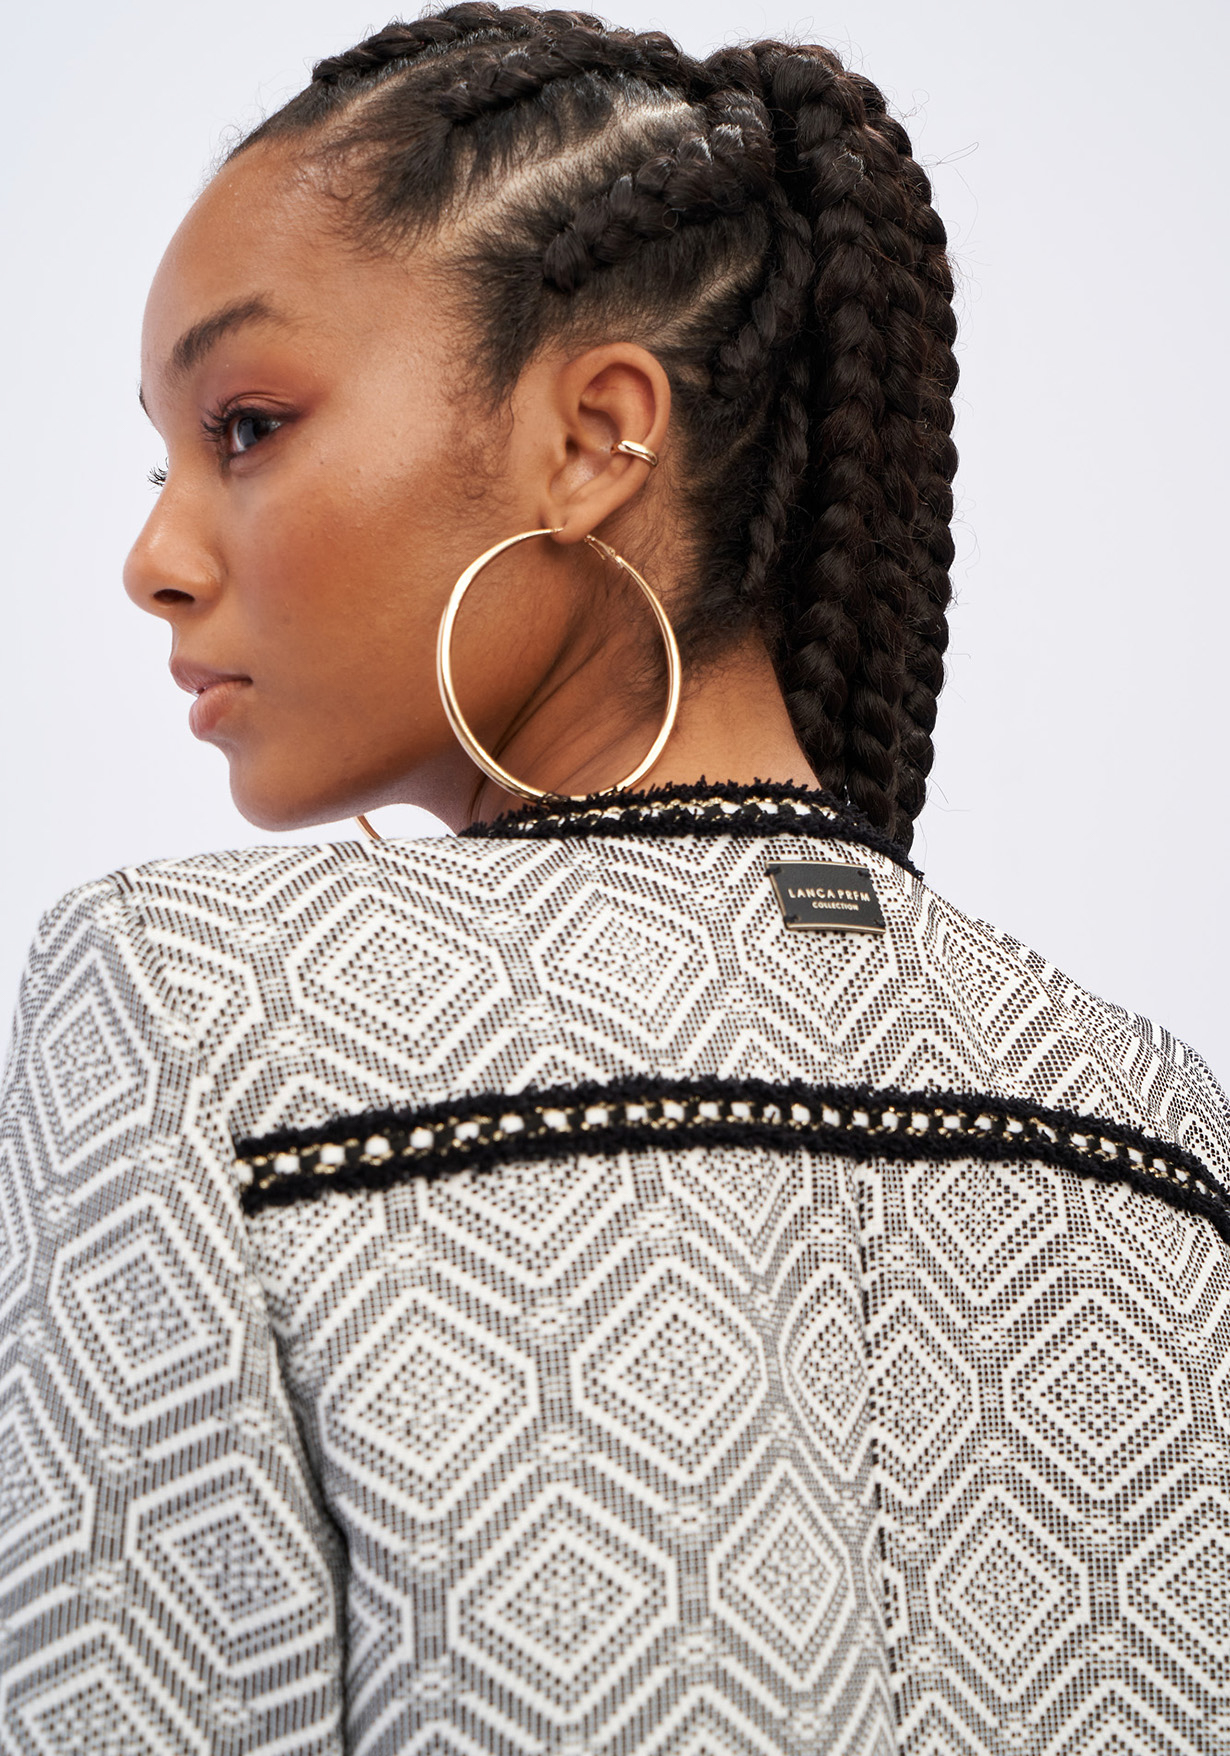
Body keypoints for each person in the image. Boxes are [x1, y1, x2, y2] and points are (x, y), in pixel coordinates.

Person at [1, 6, 1227, 1751]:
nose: (155, 558)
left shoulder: (192, 1007)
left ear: (593, 436)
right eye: (165, 456)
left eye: (248, 424)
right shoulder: (1154, 1116)